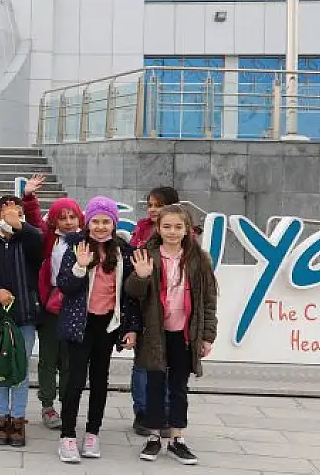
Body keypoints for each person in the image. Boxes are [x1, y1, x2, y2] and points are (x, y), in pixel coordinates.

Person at [128, 205, 217, 465]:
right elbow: (132, 294)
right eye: (167, 226)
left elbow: (209, 301)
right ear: (158, 228)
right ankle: (154, 436)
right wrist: (141, 276)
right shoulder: (147, 255)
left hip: (185, 333)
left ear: (187, 229)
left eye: (178, 227)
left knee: (179, 387)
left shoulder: (199, 259)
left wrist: (207, 336)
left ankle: (177, 438)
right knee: (155, 385)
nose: (172, 232)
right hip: (155, 332)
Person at [57, 196, 141, 464]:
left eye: (107, 222)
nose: (101, 227)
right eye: (96, 221)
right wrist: (80, 266)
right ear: (88, 222)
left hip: (108, 325)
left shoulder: (124, 252)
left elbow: (131, 298)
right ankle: (67, 435)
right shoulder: (75, 245)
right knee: (75, 380)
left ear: (114, 224)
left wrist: (132, 328)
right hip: (80, 324)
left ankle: (93, 433)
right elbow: (64, 286)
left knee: (100, 381)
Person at [0, 195, 44, 447]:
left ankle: (18, 419)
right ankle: (1, 419)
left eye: (17, 213)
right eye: (6, 213)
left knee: (20, 369)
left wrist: (21, 226)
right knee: (1, 367)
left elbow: (39, 240)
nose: (11, 217)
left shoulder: (28, 242)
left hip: (24, 315)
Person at [22, 181, 83, 431]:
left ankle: (68, 403)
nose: (68, 222)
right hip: (50, 306)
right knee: (48, 358)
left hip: (76, 307)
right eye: (62, 217)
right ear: (55, 221)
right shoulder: (50, 240)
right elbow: (34, 219)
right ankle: (47, 405)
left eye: (72, 217)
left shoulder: (86, 241)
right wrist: (28, 197)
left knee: (70, 361)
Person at [129, 185, 181, 435]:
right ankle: (143, 411)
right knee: (143, 364)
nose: (152, 209)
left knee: (170, 366)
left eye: (158, 205)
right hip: (145, 309)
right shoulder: (140, 233)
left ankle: (166, 413)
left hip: (175, 315)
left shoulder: (186, 240)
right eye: (150, 204)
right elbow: (131, 276)